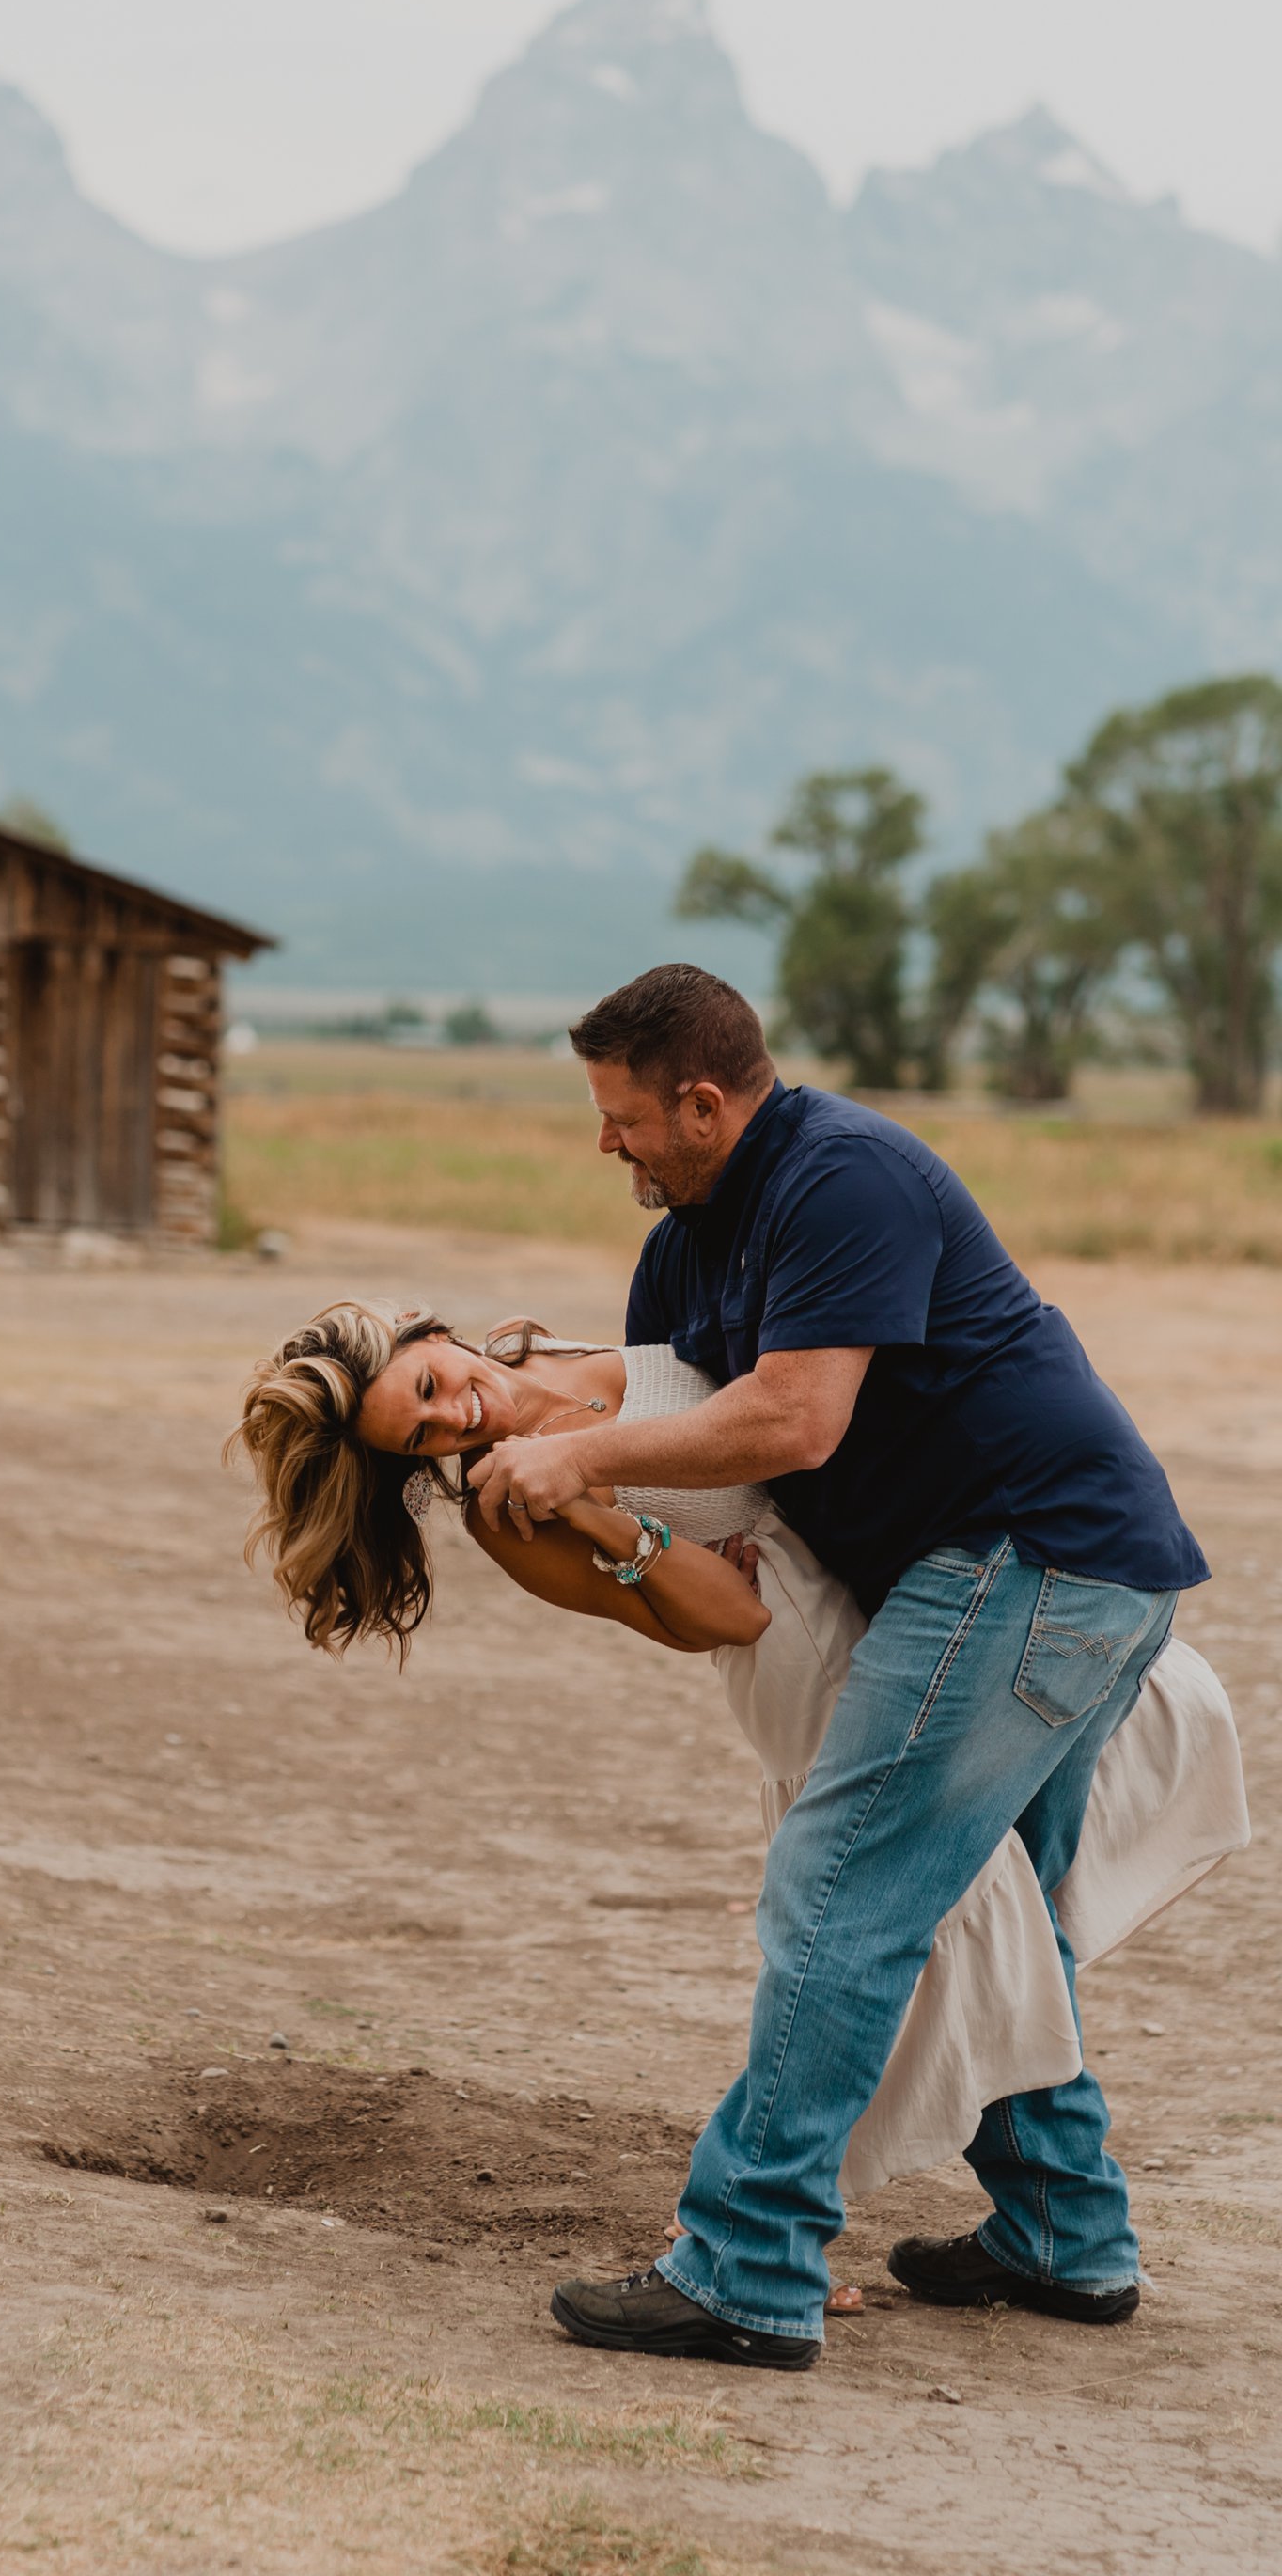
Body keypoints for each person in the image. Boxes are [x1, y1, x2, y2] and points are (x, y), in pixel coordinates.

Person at [232, 1291, 1244, 2368]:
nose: (454, 1418)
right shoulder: (507, 1515)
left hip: (913, 1599)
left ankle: (1064, 2234)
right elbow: (727, 1615)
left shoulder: (567, 1345)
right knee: (936, 1932)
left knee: (985, 1928)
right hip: (812, 1658)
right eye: (422, 1438)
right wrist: (596, 1508)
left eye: (430, 1386)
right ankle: (785, 2247)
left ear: (429, 1334)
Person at [455, 961, 1217, 2367]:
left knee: (843, 1884)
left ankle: (748, 2264)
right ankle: (1067, 2233)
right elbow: (700, 1420)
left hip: (1034, 1562)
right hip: (1039, 1573)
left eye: (622, 1118)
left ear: (702, 1101)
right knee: (984, 1911)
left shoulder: (843, 1176)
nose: (604, 1144)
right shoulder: (688, 1239)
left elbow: (793, 1421)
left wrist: (573, 1452)